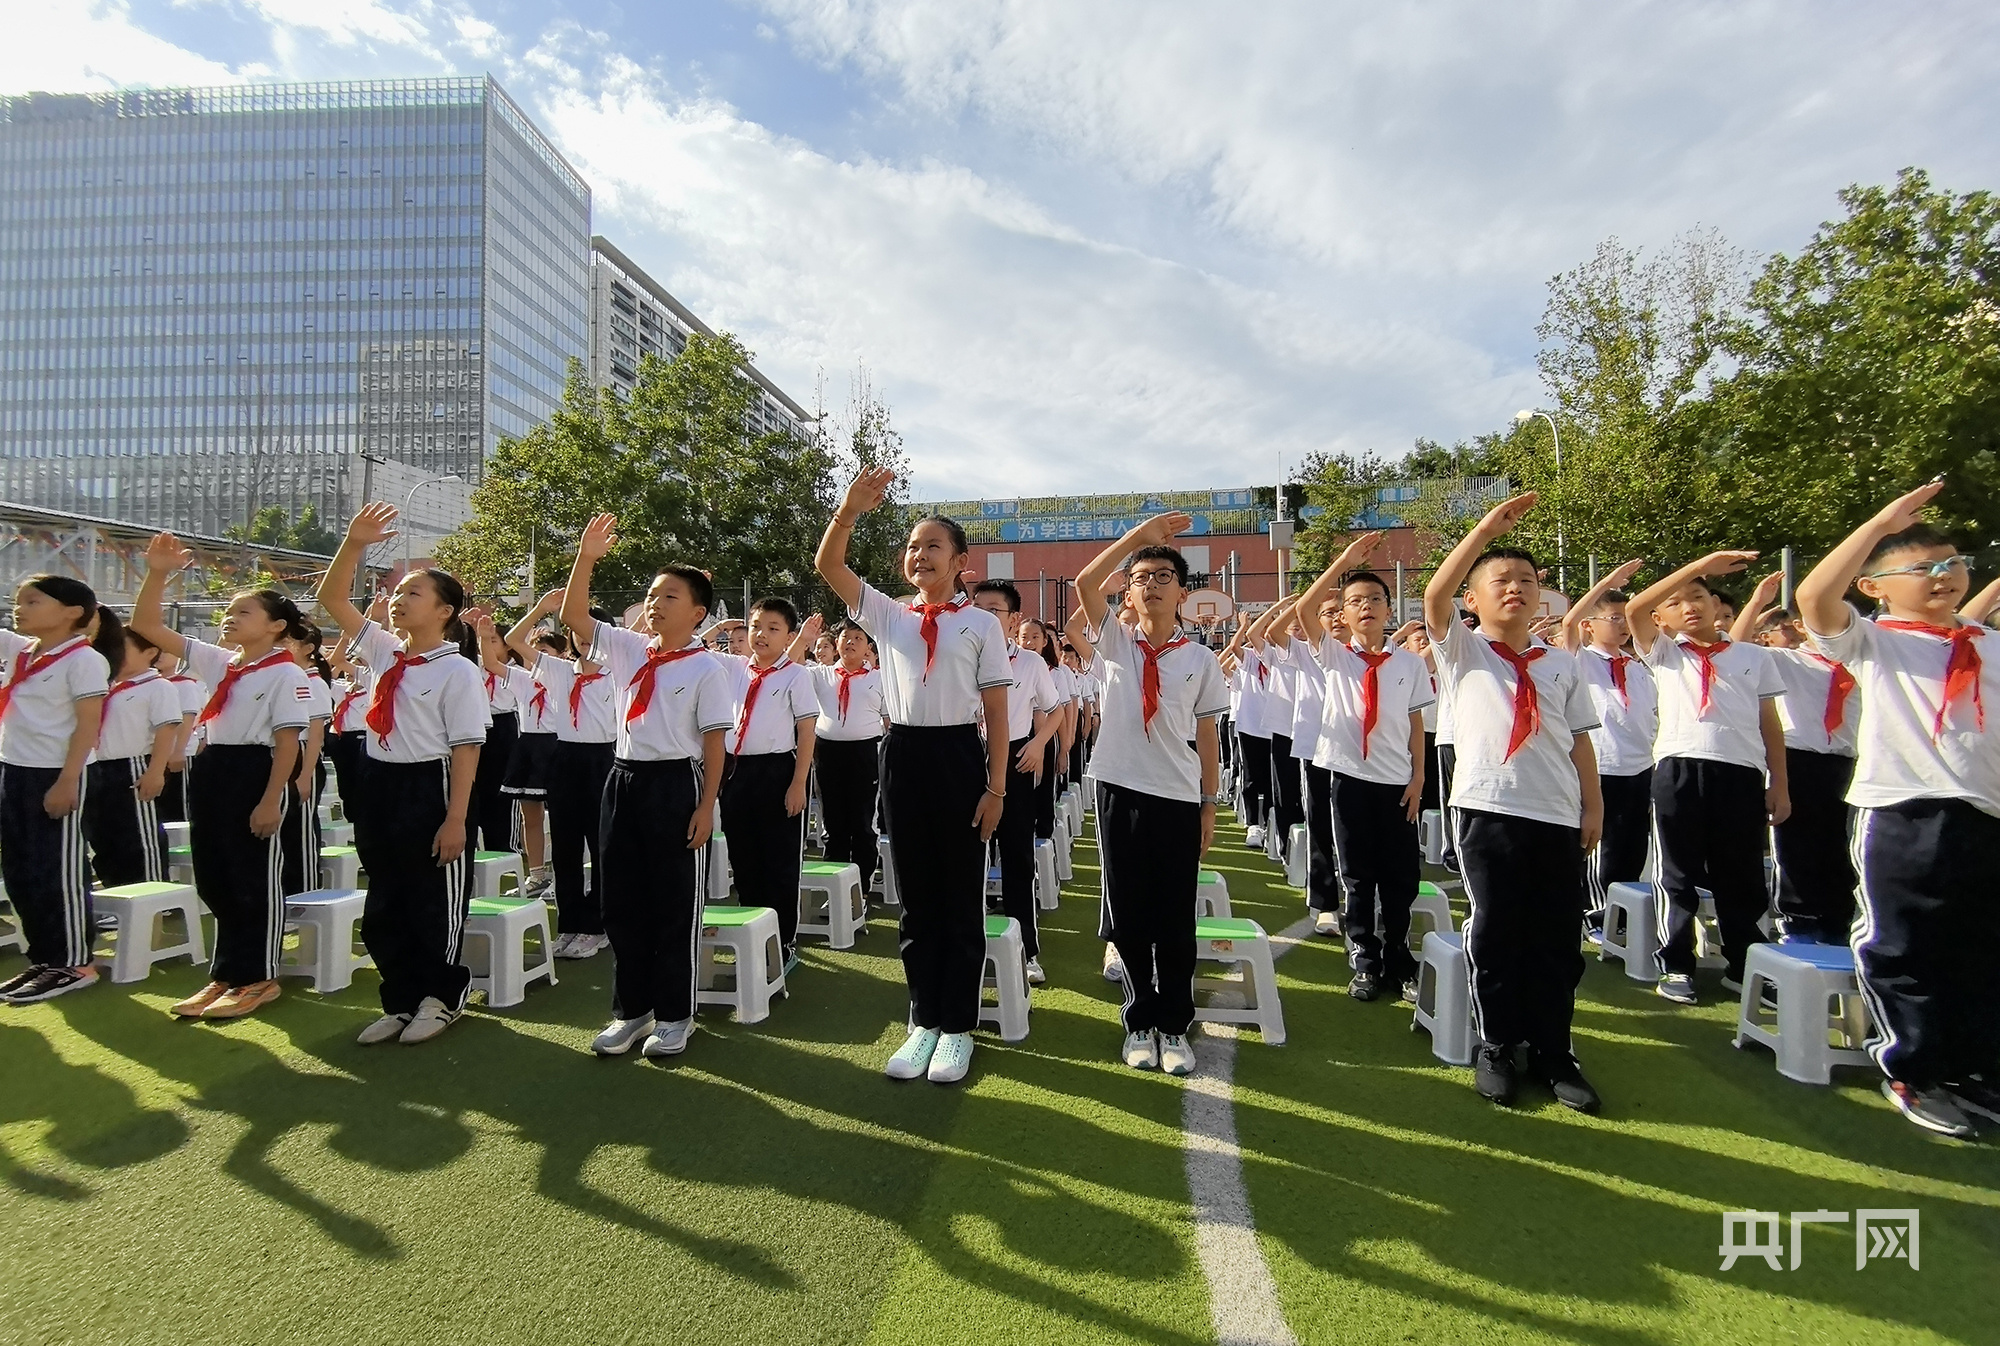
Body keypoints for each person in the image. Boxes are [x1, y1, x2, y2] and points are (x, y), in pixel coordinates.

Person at [1794, 481, 2000, 1138]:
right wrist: (1879, 523)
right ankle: (1913, 1069)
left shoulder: (1987, 643)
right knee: (1902, 944)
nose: (1943, 577)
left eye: (1952, 564)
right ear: (1877, 587)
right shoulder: (1879, 641)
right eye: (1922, 569)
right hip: (1905, 814)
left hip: (1985, 815)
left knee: (1978, 948)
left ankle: (1975, 1068)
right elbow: (1813, 599)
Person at [816, 468, 1011, 1085]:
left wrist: (996, 787)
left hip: (958, 756)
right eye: (911, 546)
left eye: (932, 545)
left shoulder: (979, 625)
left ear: (960, 561)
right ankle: (923, 1017)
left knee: (959, 896)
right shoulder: (890, 616)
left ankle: (957, 1026)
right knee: (917, 896)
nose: (918, 554)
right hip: (900, 754)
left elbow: (998, 714)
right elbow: (830, 564)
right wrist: (849, 509)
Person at [1423, 493, 1604, 1111]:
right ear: (1474, 598)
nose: (1516, 589)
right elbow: (1435, 598)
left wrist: (1593, 805)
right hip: (1488, 809)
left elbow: (1579, 741)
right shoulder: (1464, 650)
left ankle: (1553, 1049)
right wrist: (1484, 532)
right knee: (1497, 930)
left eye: (1527, 580)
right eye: (1500, 580)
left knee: (1557, 938)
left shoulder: (1560, 663)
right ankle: (1497, 1043)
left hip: (1556, 812)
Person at [562, 514, 732, 1060]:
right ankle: (630, 1011)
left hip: (675, 783)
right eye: (652, 594)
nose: (656, 603)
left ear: (698, 612)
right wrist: (586, 557)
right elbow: (574, 615)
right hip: (623, 778)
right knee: (622, 901)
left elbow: (713, 743)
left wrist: (706, 806)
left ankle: (676, 1015)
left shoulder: (707, 668)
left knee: (674, 902)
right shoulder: (630, 649)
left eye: (671, 596)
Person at [318, 503, 488, 1046]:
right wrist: (354, 543)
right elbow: (331, 599)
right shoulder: (385, 653)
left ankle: (441, 995)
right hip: (379, 781)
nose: (398, 599)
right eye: (397, 592)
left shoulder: (457, 669)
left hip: (430, 785)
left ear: (445, 612)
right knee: (386, 897)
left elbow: (466, 747)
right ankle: (401, 997)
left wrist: (456, 818)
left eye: (414, 593)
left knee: (431, 896)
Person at [1065, 512, 1226, 1077]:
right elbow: (1086, 584)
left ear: (1184, 591)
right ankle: (1139, 1020)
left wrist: (1209, 803)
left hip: (1179, 795)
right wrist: (1138, 539)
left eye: (1164, 576)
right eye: (1141, 577)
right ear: (1128, 594)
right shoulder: (1116, 643)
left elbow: (1207, 735)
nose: (1152, 584)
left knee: (1175, 916)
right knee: (1129, 913)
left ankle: (1175, 1025)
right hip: (1118, 789)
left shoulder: (1201, 659)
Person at [129, 538, 311, 1020]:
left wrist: (273, 799)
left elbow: (288, 742)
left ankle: (258, 975)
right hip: (214, 769)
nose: (230, 618)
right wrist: (157, 574)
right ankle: (226, 973)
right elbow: (146, 626)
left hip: (257, 769)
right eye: (228, 611)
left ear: (276, 626)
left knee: (254, 878)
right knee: (215, 875)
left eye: (244, 612)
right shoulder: (220, 662)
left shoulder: (285, 674)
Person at [1625, 552, 1789, 1005]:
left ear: (1718, 606)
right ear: (1662, 617)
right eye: (1676, 603)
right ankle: (1677, 963)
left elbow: (1769, 722)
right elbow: (1635, 609)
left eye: (1699, 596)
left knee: (1741, 874)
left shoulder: (1754, 657)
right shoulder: (1663, 652)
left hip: (1741, 772)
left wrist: (1780, 782)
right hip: (1679, 766)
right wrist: (1699, 567)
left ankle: (1746, 965)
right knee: (1676, 871)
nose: (1690, 607)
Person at [1299, 543, 1436, 1003]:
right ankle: (1363, 955)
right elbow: (1302, 608)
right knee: (1357, 876)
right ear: (1345, 613)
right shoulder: (1335, 657)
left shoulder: (1410, 663)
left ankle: (1399, 954)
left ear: (1389, 608)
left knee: (1401, 877)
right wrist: (1342, 564)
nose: (1366, 608)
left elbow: (1416, 723)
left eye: (1375, 599)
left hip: (1399, 783)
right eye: (1355, 601)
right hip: (1349, 781)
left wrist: (1419, 777)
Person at [0, 576, 115, 1004]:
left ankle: (74, 961)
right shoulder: (24, 653)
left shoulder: (82, 660)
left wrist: (67, 780)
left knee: (58, 871)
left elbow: (88, 724)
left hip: (59, 773)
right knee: (21, 871)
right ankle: (44, 958)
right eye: (18, 601)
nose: (20, 608)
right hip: (16, 770)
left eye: (33, 600)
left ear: (71, 612)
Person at [1731, 573, 1860, 943]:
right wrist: (1755, 604)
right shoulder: (1786, 660)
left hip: (1846, 761)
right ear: (1803, 628)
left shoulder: (1857, 663)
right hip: (1798, 759)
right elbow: (1737, 648)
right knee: (1797, 845)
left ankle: (1838, 921)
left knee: (1842, 847)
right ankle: (1798, 921)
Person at [507, 591, 615, 960]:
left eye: (594, 638)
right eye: (580, 638)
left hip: (604, 758)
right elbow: (513, 641)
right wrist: (541, 609)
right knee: (566, 849)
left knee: (601, 849)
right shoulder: (557, 670)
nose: (586, 645)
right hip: (565, 758)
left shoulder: (618, 676)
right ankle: (569, 924)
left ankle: (598, 927)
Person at [717, 596, 819, 971]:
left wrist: (798, 784)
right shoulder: (732, 668)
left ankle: (784, 942)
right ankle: (752, 934)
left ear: (789, 636)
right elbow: (693, 643)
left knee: (778, 861)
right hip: (736, 772)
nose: (761, 635)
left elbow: (807, 731)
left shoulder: (796, 674)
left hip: (778, 772)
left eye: (773, 629)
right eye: (756, 626)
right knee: (744, 858)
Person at [971, 579, 1060, 985]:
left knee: (1017, 858)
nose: (985, 618)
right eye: (979, 609)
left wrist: (1040, 743)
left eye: (995, 611)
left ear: (1013, 619)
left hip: (1017, 762)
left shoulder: (1030, 662)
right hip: (968, 757)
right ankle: (971, 947)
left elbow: (1054, 710)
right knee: (969, 859)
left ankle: (1026, 950)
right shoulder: (960, 655)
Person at [1561, 564, 1657, 937]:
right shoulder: (1581, 660)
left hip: (1640, 766)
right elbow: (1568, 624)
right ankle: (1596, 914)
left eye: (1625, 617)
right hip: (1601, 766)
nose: (1622, 625)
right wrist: (1603, 584)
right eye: (1613, 617)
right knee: (1602, 845)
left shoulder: (1637, 666)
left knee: (1633, 845)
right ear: (1591, 624)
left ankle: (1623, 914)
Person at [83, 626, 182, 888]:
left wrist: (156, 772)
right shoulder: (106, 686)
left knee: (137, 838)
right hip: (98, 767)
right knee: (105, 837)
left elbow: (166, 730)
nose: (112, 655)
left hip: (133, 766)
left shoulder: (158, 686)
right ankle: (115, 892)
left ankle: (151, 896)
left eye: (121, 649)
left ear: (149, 652)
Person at [809, 620, 886, 893]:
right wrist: (806, 637)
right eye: (845, 637)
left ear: (868, 647)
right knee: (833, 823)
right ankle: (836, 890)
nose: (850, 642)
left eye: (858, 637)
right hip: (828, 753)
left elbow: (889, 722)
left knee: (863, 823)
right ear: (836, 642)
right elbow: (788, 665)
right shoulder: (821, 675)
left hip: (864, 754)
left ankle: (860, 889)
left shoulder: (879, 678)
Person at [498, 627, 565, 900]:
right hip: (529, 746)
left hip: (557, 746)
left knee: (562, 819)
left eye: (543, 653)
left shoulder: (564, 678)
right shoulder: (522, 679)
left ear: (560, 657)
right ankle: (536, 874)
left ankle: (562, 878)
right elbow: (491, 662)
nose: (535, 658)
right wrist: (483, 635)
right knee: (531, 816)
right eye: (532, 652)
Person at [277, 624, 333, 900]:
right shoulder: (286, 677)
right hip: (282, 754)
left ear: (309, 649)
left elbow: (316, 734)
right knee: (283, 828)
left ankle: (306, 891)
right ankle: (285, 891)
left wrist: (305, 775)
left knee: (300, 830)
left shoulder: (314, 682)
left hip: (302, 758)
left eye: (288, 642)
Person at [466, 608, 520, 859]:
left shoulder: (516, 671)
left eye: (492, 639)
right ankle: (477, 846)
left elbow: (493, 665)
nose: (485, 644)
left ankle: (505, 848)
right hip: (479, 726)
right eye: (482, 640)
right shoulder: (473, 666)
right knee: (476, 788)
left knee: (502, 791)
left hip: (504, 727)